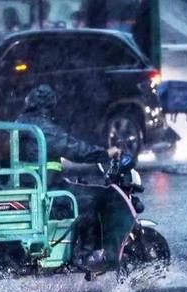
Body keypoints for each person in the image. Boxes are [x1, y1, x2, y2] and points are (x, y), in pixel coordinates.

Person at [15, 84, 121, 270]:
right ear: (51, 105)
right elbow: (73, 148)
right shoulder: (44, 128)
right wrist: (105, 153)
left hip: (28, 184)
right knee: (90, 202)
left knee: (77, 191)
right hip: (45, 188)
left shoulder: (20, 122)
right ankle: (85, 255)